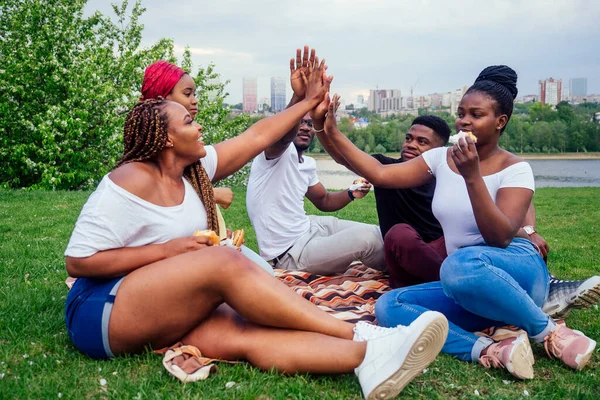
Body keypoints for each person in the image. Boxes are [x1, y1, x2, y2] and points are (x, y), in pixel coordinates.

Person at [63, 51, 449, 400]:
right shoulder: (131, 178)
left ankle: (367, 360)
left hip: (150, 303)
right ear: (165, 137)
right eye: (189, 121)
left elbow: (257, 135)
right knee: (226, 262)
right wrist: (169, 250)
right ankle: (364, 334)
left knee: (246, 332)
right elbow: (78, 262)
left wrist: (307, 101)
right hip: (98, 311)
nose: (199, 127)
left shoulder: (193, 171)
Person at [322, 65, 597, 379]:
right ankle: (489, 349)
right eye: (461, 113)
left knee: (456, 264)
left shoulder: (516, 169)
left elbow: (500, 237)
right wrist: (330, 130)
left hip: (517, 272)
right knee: (389, 306)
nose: (464, 121)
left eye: (476, 114)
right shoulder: (441, 158)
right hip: (466, 288)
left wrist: (472, 177)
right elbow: (380, 173)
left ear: (500, 122)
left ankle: (549, 333)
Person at [318, 111, 600, 318]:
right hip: (420, 260)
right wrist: (324, 127)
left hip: (452, 251)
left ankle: (540, 286)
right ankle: (512, 298)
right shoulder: (394, 170)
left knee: (480, 253)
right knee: (400, 236)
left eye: (421, 142)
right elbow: (348, 159)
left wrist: (528, 231)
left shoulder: (450, 172)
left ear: (438, 149)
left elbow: (513, 202)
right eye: (409, 138)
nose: (411, 145)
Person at [246, 49, 384, 275]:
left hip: (310, 226)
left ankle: (406, 257)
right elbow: (281, 135)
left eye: (310, 123)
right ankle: (406, 274)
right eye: (300, 121)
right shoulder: (274, 154)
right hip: (291, 252)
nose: (305, 127)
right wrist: (300, 97)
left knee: (380, 232)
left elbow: (324, 200)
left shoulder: (307, 163)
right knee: (368, 239)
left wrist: (351, 192)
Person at [139, 59, 273, 275]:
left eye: (195, 93)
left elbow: (257, 138)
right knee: (256, 281)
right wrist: (212, 194)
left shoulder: (194, 154)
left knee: (265, 274)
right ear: (163, 100)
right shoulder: (146, 164)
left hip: (205, 248)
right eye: (187, 93)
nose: (195, 101)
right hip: (168, 266)